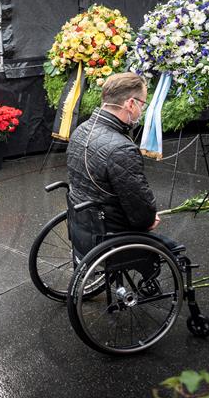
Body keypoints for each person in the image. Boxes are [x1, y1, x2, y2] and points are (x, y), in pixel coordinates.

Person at [65, 72, 171, 258]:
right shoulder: (121, 149)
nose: (142, 110)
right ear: (130, 104)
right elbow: (141, 209)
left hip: (81, 222)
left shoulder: (80, 129)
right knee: (177, 252)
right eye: (143, 104)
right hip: (109, 232)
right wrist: (148, 218)